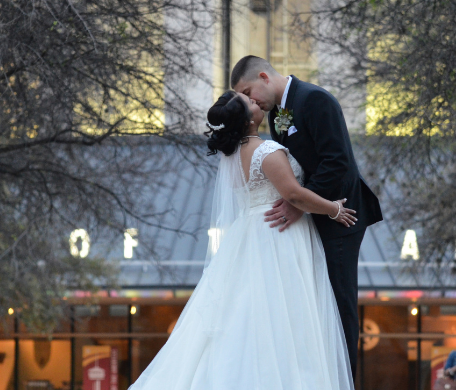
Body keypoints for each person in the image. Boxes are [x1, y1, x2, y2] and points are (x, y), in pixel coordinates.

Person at [128, 90, 356, 390]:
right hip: (277, 235)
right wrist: (334, 209)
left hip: (250, 233)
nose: (255, 101)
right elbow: (293, 194)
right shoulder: (266, 151)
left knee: (247, 314)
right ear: (248, 120)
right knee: (285, 316)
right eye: (249, 102)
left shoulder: (233, 155)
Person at [231, 55, 383, 380]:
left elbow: (337, 162)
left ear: (263, 76)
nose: (249, 102)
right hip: (312, 219)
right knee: (315, 307)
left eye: (247, 92)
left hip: (340, 216)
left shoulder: (315, 99)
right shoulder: (278, 113)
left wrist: (298, 203)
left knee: (339, 304)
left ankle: (344, 381)